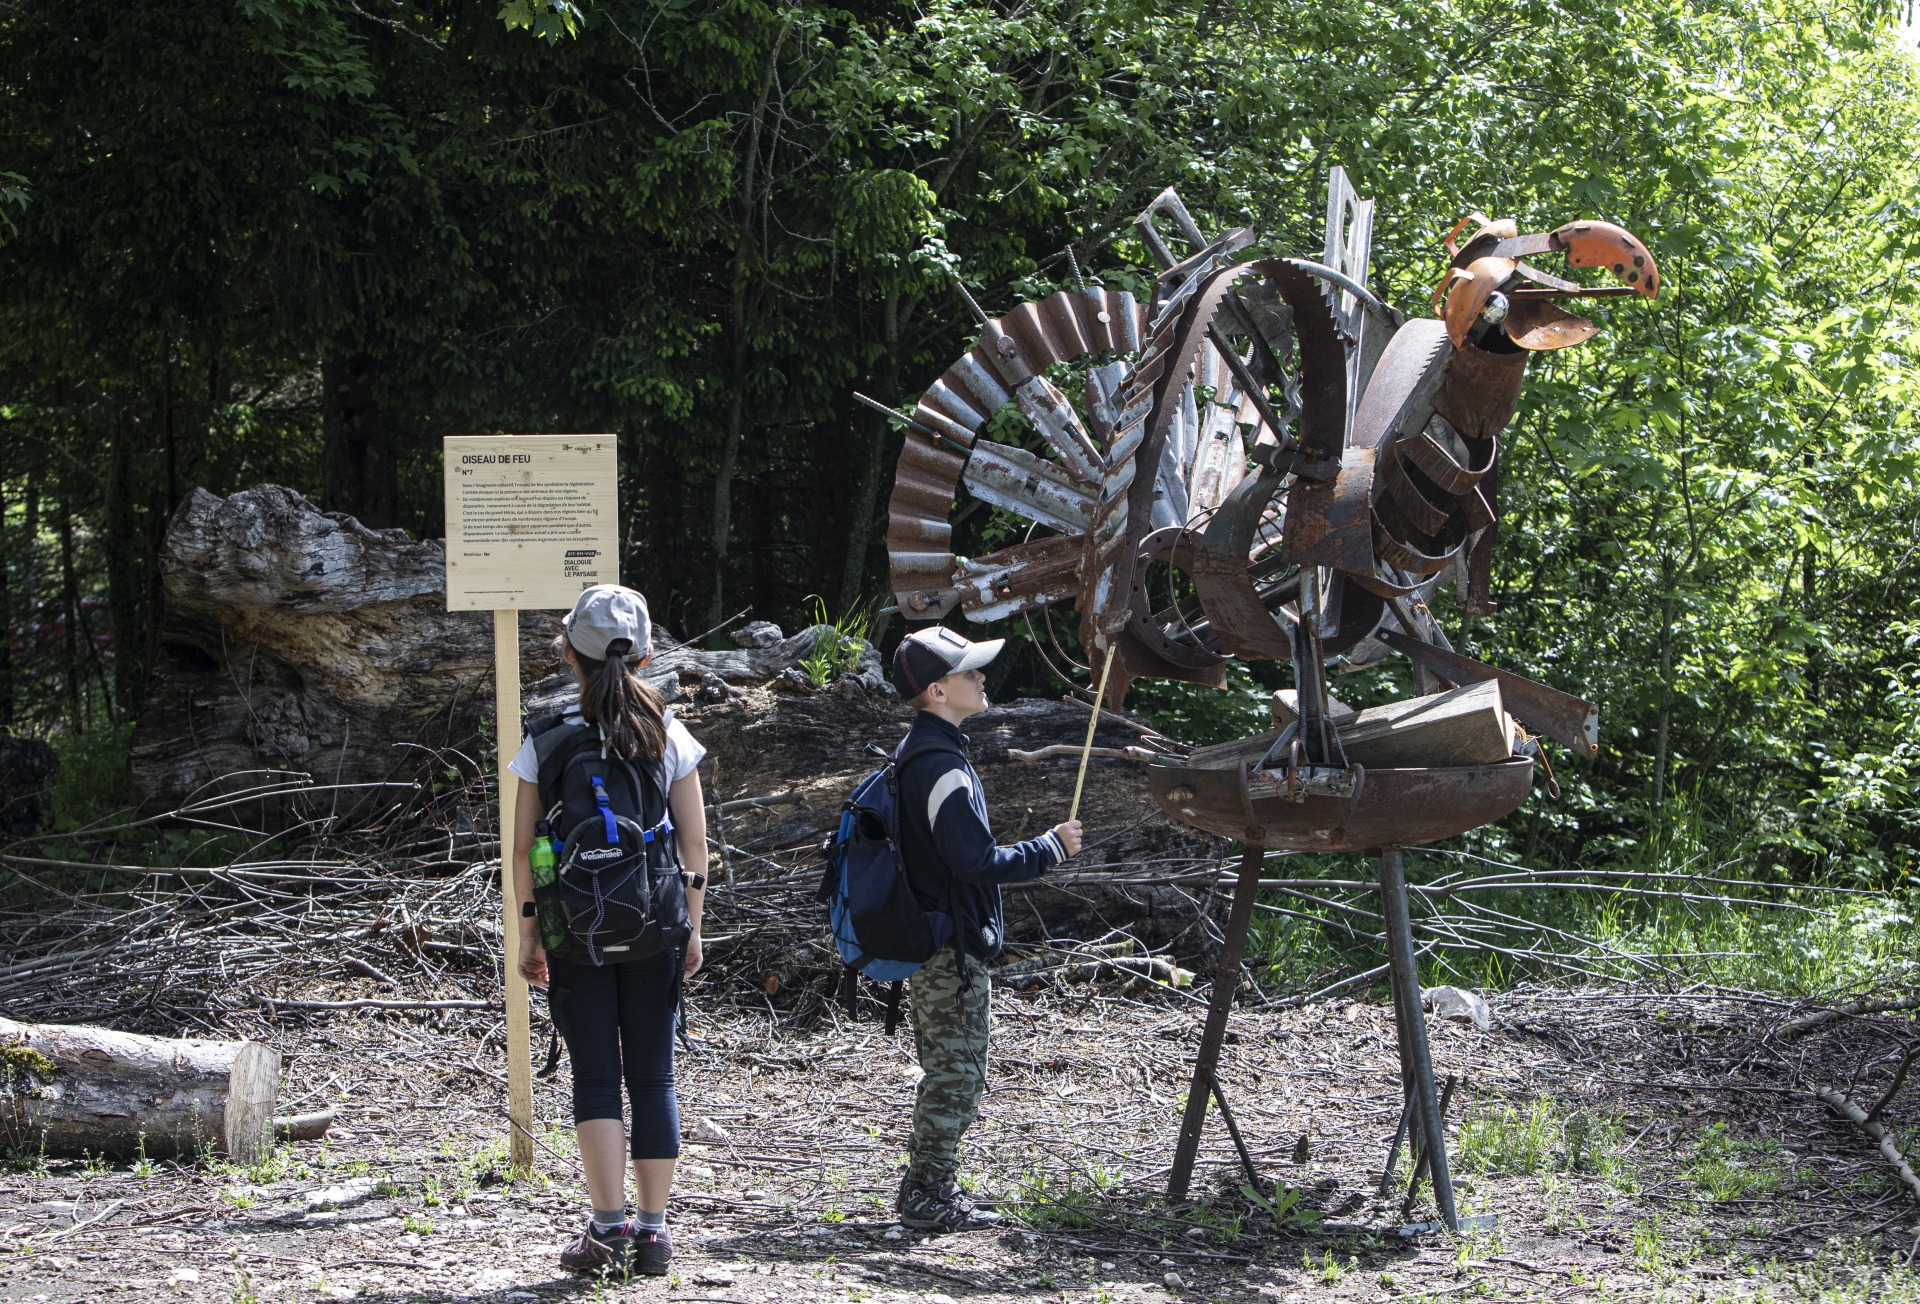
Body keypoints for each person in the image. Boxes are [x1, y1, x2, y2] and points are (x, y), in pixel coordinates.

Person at [509, 585, 708, 1278]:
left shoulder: (547, 736)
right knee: (653, 1077)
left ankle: (606, 1232)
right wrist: (693, 928)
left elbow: (523, 849)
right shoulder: (669, 732)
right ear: (647, 655)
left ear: (568, 653)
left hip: (578, 930)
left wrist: (532, 934)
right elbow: (694, 850)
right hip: (656, 923)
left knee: (595, 1077)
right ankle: (654, 1237)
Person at [889, 625, 1084, 1231]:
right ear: (938, 691)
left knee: (953, 1068)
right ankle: (927, 1194)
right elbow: (973, 862)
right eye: (969, 671)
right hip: (948, 946)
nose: (981, 678)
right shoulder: (940, 764)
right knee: (958, 1072)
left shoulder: (925, 752)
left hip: (936, 937)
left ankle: (930, 1185)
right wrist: (1050, 847)